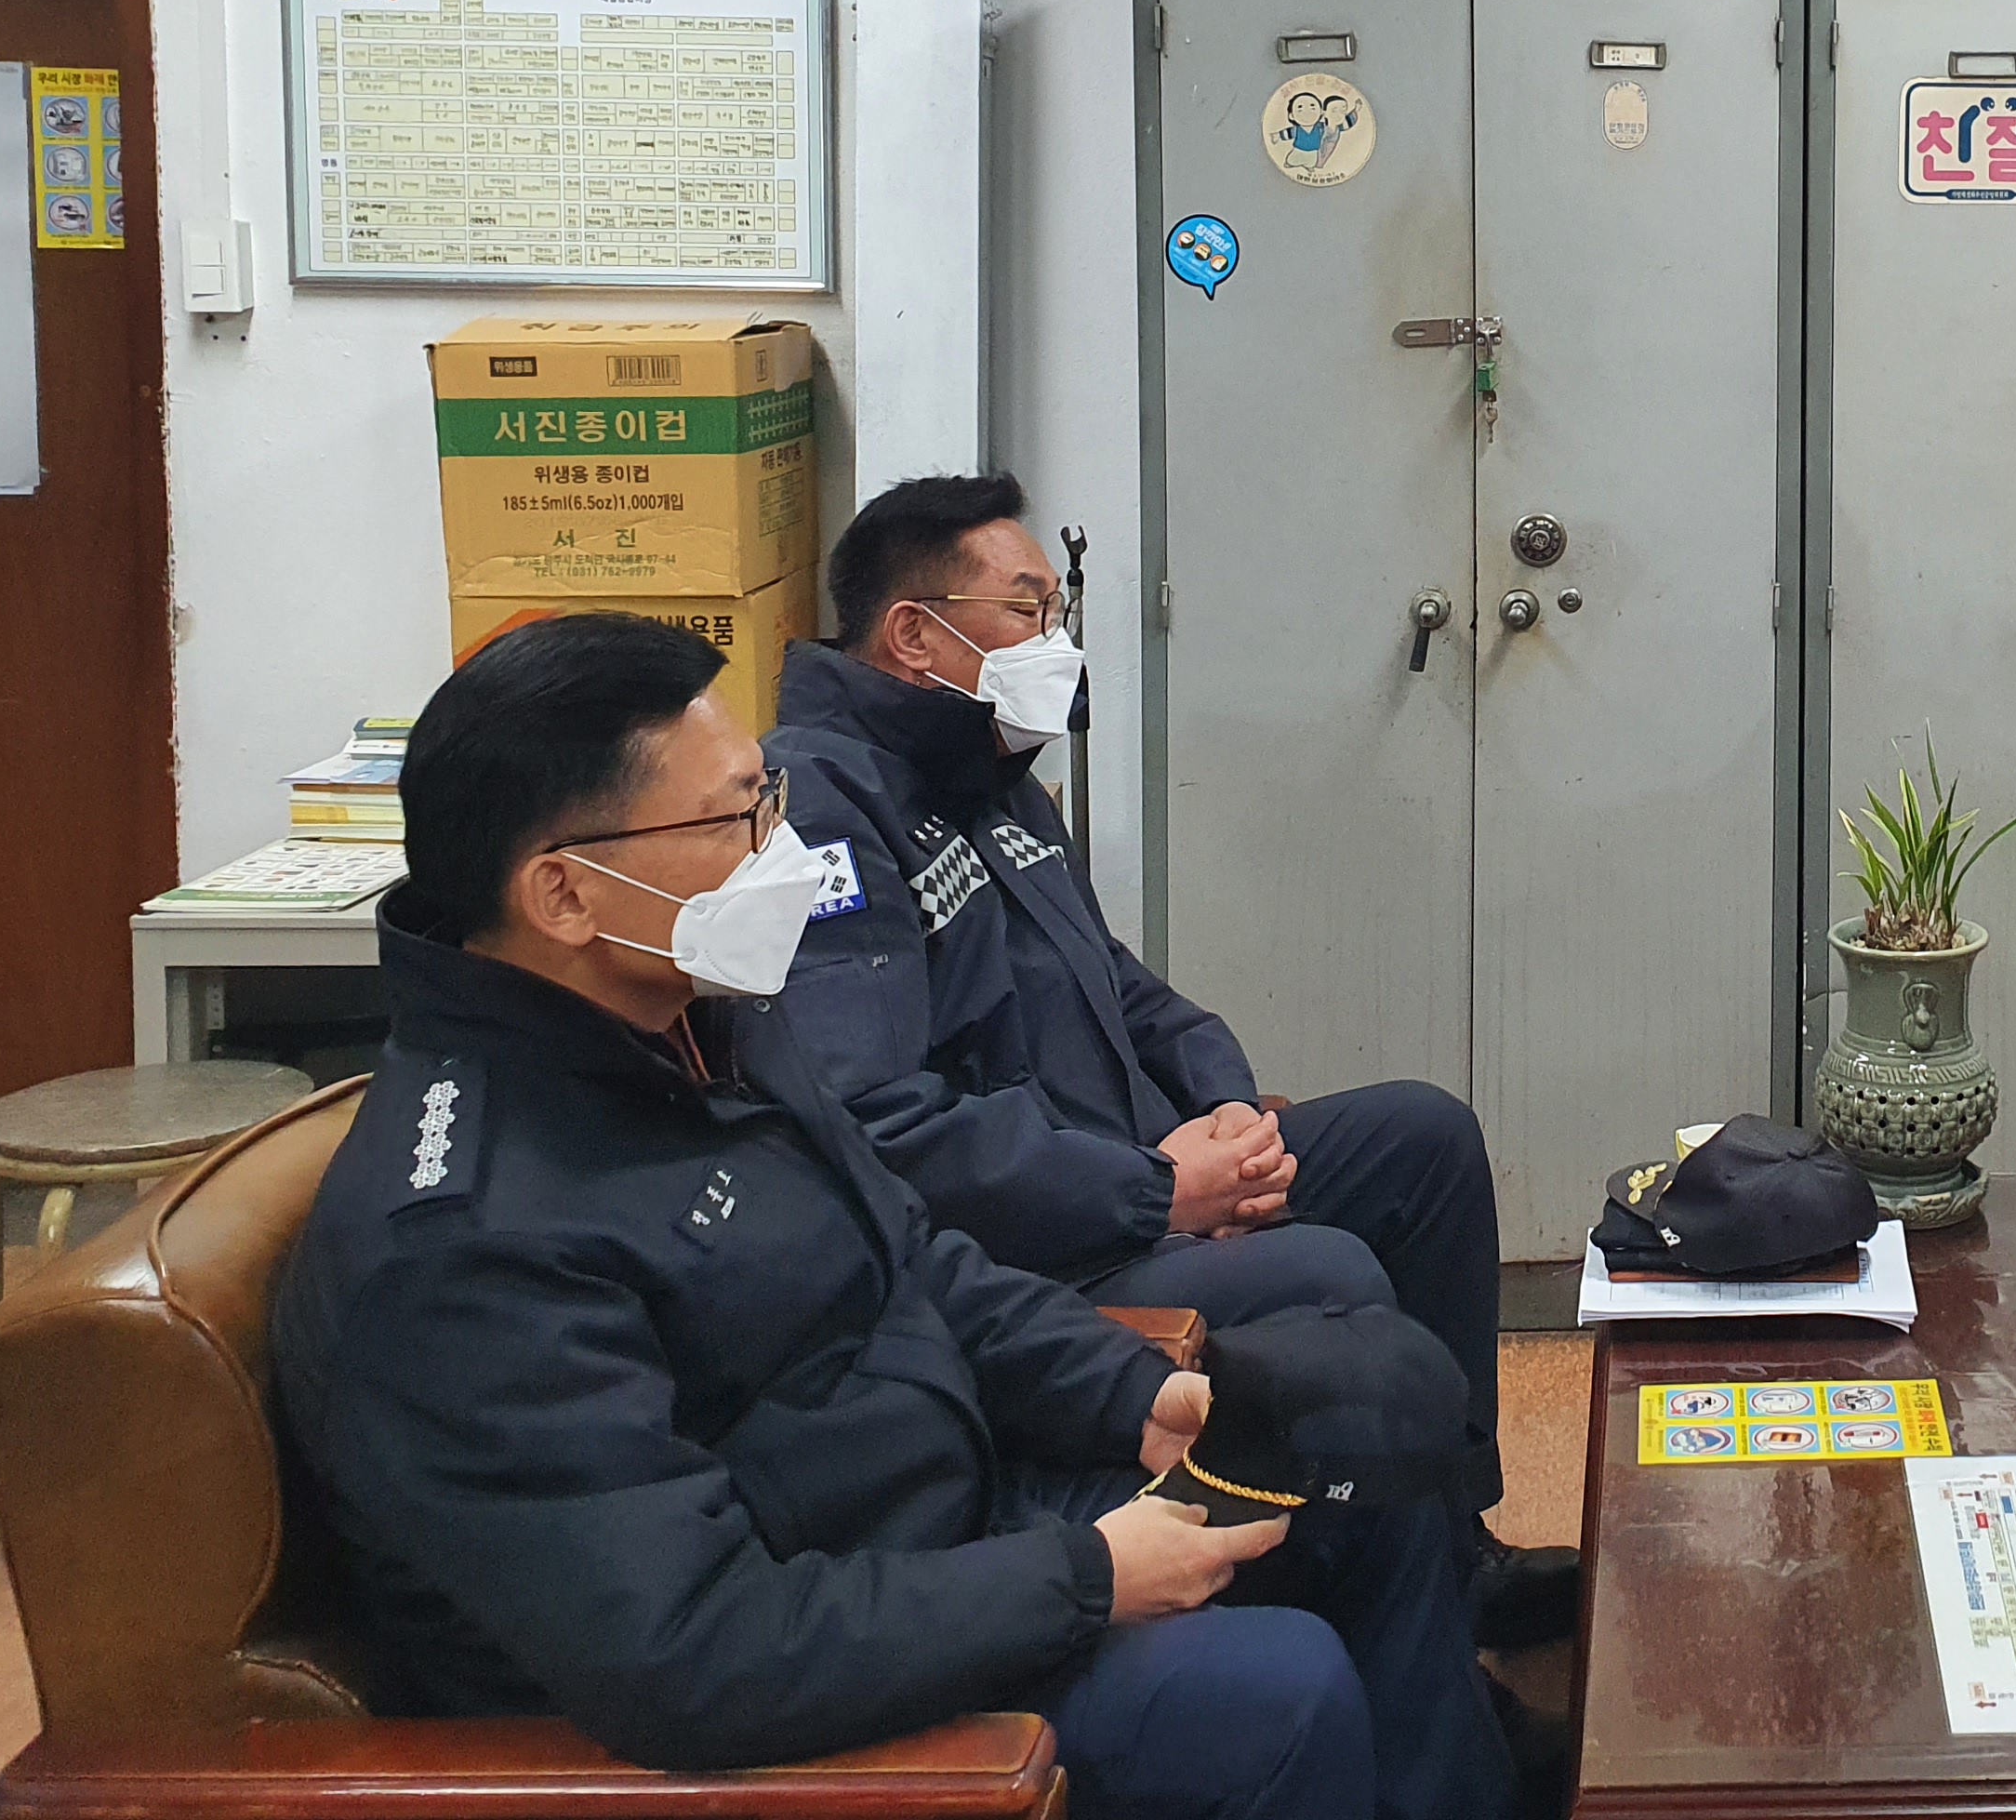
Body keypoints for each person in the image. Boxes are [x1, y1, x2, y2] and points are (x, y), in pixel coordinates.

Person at [271, 614, 1516, 1820]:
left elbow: (915, 1258)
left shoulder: (699, 1023)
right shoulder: (465, 1250)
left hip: (949, 1517)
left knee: (1358, 1462)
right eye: (732, 821)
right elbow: (694, 1650)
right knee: (1274, 1695)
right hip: (812, 1669)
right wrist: (1086, 1575)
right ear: (562, 893)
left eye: (768, 800)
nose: (784, 853)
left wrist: (1133, 1397)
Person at [754, 473, 1576, 1651]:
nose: (1055, 640)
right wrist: (1160, 1192)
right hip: (1039, 1246)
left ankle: (1457, 1535)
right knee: (1328, 1271)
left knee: (1421, 1140)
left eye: (1057, 609)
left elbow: (1126, 987)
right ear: (915, 634)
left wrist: (1231, 1117)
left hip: (1147, 1170)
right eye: (1027, 609)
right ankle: (1413, 1607)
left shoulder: (990, 775)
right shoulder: (825, 811)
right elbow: (882, 1126)